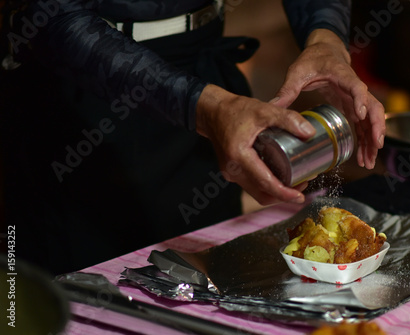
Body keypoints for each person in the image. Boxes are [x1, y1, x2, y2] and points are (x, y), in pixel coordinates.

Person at [0, 0, 385, 275]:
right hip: (84, 111)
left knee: (207, 283)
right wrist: (202, 106)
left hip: (205, 80)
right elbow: (49, 14)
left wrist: (326, 37)